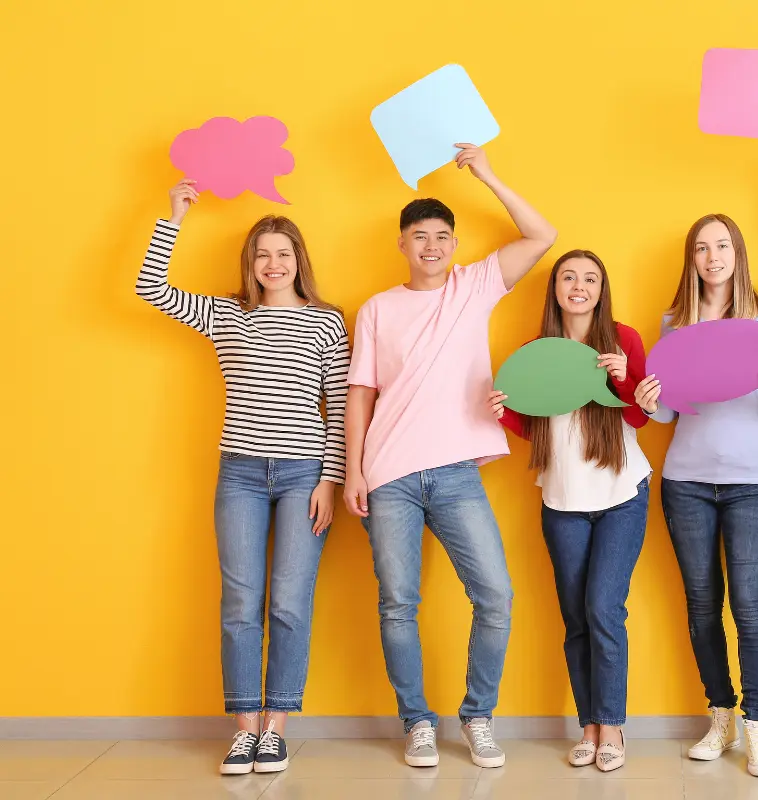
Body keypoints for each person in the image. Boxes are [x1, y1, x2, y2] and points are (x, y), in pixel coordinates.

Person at [342, 145, 556, 769]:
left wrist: (488, 173)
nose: (431, 246)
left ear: (454, 245)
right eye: (419, 236)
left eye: (442, 236)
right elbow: (360, 393)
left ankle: (477, 714)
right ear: (402, 245)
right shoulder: (378, 308)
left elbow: (543, 233)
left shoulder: (475, 285)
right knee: (398, 603)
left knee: (495, 596)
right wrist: (355, 469)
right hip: (390, 475)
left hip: (457, 473)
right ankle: (417, 723)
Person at [135, 180, 349, 775]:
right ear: (250, 264)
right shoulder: (225, 313)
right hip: (240, 477)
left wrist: (328, 482)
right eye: (263, 255)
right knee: (240, 602)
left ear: (298, 261)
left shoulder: (328, 323)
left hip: (305, 473)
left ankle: (277, 726)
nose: (274, 264)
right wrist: (171, 216)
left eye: (284, 253)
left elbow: (338, 407)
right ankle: (244, 728)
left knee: (289, 601)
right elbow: (150, 288)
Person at [633, 214, 758, 778]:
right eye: (702, 248)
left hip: (751, 481)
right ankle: (720, 716)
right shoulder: (675, 323)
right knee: (702, 604)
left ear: (737, 252)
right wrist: (649, 398)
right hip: (687, 482)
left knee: (749, 603)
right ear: (692, 259)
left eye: (722, 245)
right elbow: (669, 413)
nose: (713, 256)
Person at [488, 250, 651, 773]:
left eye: (590, 279)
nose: (578, 287)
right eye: (568, 278)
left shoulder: (623, 339)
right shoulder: (534, 352)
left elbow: (642, 416)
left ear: (602, 290)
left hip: (622, 495)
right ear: (555, 288)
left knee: (604, 609)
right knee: (576, 618)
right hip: (561, 501)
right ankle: (589, 726)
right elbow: (530, 423)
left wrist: (626, 378)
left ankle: (612, 728)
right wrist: (502, 413)